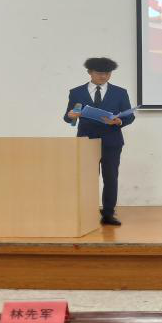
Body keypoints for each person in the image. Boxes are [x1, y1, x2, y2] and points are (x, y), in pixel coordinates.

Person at [63, 57, 135, 226]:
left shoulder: (120, 92)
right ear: (90, 72)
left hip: (111, 141)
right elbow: (69, 117)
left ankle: (108, 213)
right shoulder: (76, 92)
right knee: (87, 178)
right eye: (99, 73)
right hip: (86, 141)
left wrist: (119, 121)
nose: (103, 76)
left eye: (107, 73)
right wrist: (71, 116)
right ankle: (86, 212)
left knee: (111, 178)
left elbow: (129, 116)